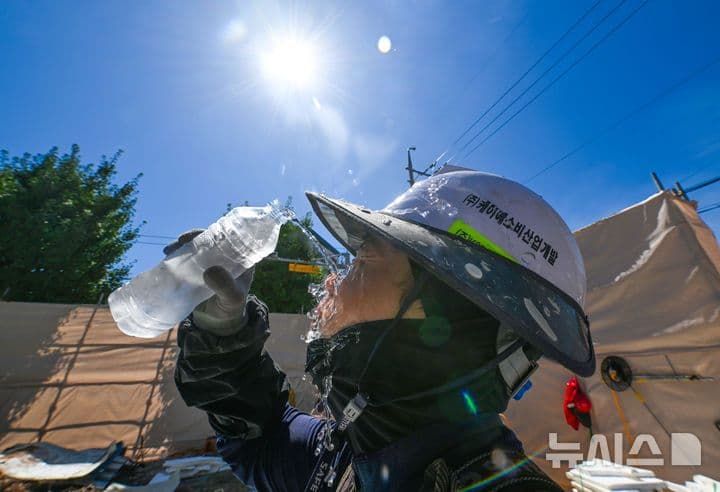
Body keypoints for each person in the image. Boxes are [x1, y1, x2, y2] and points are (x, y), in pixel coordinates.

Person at [172, 165, 596, 491]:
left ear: (439, 321)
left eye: (363, 261)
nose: (333, 281)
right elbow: (257, 439)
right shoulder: (347, 455)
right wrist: (222, 335)